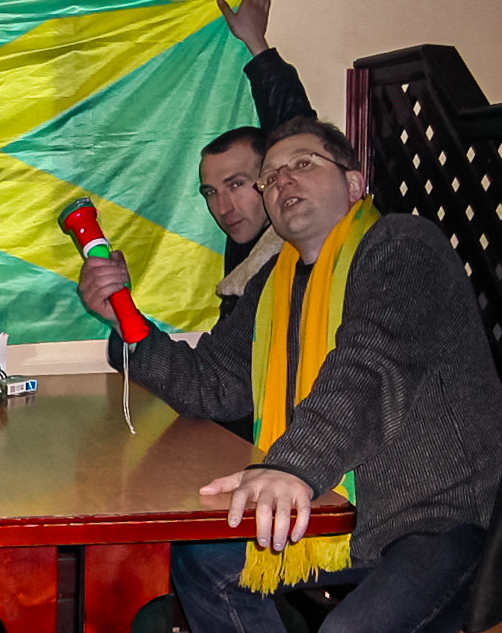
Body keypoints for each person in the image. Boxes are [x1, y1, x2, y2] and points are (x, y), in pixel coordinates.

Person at [80, 116, 502, 632]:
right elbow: (213, 383)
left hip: (442, 520)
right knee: (204, 562)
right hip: (341, 516)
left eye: (303, 164)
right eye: (270, 176)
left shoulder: (403, 244)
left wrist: (292, 467)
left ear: (354, 184)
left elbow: (369, 366)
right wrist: (125, 322)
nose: (282, 180)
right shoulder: (272, 284)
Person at [201, 0, 316, 322]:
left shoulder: (294, 242)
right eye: (210, 192)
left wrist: (256, 43)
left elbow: (300, 136)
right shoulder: (246, 242)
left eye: (237, 184)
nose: (223, 207)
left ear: (269, 179)